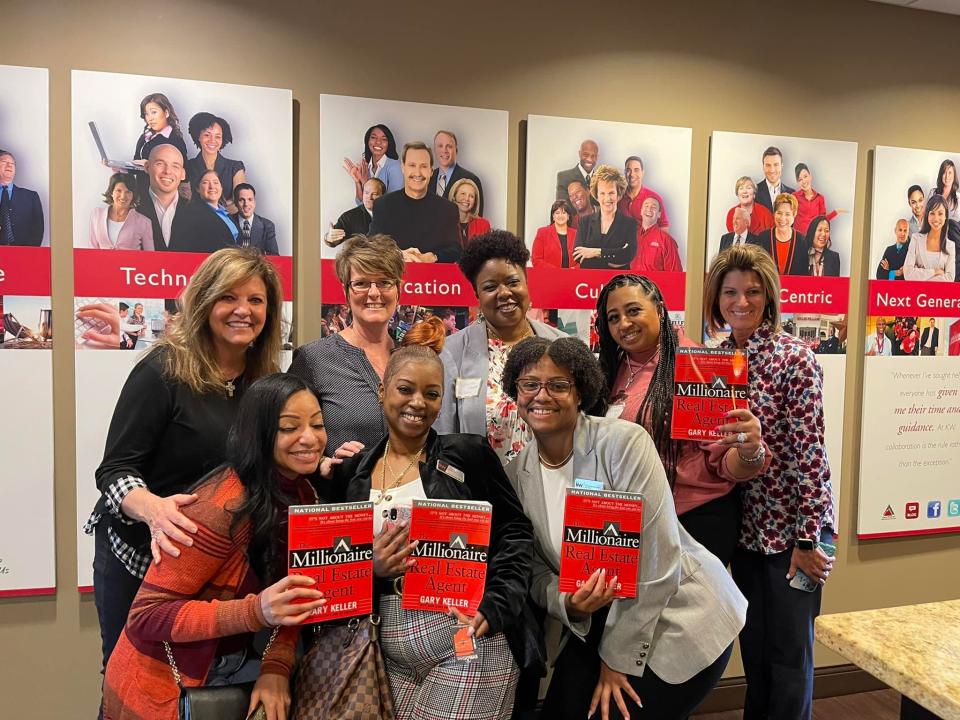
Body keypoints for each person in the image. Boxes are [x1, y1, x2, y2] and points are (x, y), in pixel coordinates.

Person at [501, 336, 747, 720]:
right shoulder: (517, 474)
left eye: (558, 385)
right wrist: (565, 602)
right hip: (600, 621)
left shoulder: (623, 443)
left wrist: (617, 662)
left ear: (580, 391)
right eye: (529, 384)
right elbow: (532, 568)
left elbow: (658, 562)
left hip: (677, 615)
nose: (541, 396)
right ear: (515, 392)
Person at [85, 248, 285, 676]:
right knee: (133, 680)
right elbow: (114, 471)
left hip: (211, 572)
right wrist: (154, 509)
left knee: (195, 683)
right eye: (228, 297)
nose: (242, 310)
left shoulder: (265, 383)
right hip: (141, 557)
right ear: (204, 300)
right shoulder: (163, 370)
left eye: (255, 300)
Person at [329, 318, 535, 720]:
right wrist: (370, 567)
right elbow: (333, 565)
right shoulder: (351, 474)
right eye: (405, 389)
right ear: (382, 391)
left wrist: (495, 607)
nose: (417, 402)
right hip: (383, 643)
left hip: (463, 633)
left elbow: (515, 532)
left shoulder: (468, 456)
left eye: (432, 393)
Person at [102, 373, 330, 720]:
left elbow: (296, 597)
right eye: (289, 428)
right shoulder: (221, 505)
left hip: (238, 665)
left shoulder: (304, 495)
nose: (310, 438)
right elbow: (146, 616)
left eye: (318, 424)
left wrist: (276, 667)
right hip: (164, 686)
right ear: (260, 432)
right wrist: (255, 612)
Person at [704, 244, 835, 719]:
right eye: (731, 292)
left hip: (794, 536)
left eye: (753, 292)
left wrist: (808, 538)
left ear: (769, 296)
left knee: (789, 660)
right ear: (716, 298)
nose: (741, 302)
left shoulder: (794, 358)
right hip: (744, 535)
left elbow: (812, 456)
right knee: (755, 655)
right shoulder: (713, 362)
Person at [595, 273, 769, 565]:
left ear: (660, 310)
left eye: (634, 310)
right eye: (613, 317)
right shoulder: (612, 368)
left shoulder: (698, 365)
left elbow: (726, 463)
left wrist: (749, 451)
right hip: (630, 522)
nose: (624, 323)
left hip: (692, 526)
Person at [436, 230, 566, 465]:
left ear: (527, 283)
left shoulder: (562, 346)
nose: (504, 293)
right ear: (477, 295)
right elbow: (443, 438)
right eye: (490, 287)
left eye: (513, 282)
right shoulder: (450, 353)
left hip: (551, 489)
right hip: (481, 493)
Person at [290, 234, 403, 454]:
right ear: (345, 292)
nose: (373, 293)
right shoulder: (314, 359)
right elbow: (287, 437)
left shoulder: (413, 357)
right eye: (361, 284)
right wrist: (324, 463)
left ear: (399, 289)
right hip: (341, 487)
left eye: (384, 282)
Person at [368, 141, 461, 263]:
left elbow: (455, 250)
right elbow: (372, 245)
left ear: (431, 171)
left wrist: (432, 257)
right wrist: (398, 255)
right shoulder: (382, 205)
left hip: (433, 280)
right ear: (403, 168)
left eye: (423, 166)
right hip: (393, 278)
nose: (417, 173)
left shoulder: (448, 209)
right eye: (412, 165)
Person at [573, 164, 638, 270]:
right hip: (589, 283)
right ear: (596, 195)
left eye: (611, 193)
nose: (607, 198)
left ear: (618, 194)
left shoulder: (629, 224)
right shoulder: (584, 222)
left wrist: (595, 252)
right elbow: (577, 256)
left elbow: (628, 255)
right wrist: (614, 257)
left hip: (617, 283)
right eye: (602, 193)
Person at [185, 111, 246, 214]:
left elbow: (240, 203)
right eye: (207, 135)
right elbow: (185, 200)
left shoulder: (235, 167)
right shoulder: (187, 166)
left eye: (218, 136)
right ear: (198, 136)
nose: (212, 140)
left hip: (228, 225)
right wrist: (227, 204)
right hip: (195, 224)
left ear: (222, 140)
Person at [169, 169, 239, 253]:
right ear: (198, 188)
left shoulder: (225, 213)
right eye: (205, 182)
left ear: (221, 187)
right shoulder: (190, 214)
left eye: (216, 182)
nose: (212, 187)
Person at [137, 143, 187, 251]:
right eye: (160, 163)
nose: (168, 171)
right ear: (147, 167)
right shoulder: (130, 211)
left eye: (175, 166)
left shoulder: (199, 214)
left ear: (183, 174)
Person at [88, 172, 154, 250]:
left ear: (133, 195)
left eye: (128, 192)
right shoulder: (96, 215)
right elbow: (92, 248)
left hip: (131, 262)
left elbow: (150, 255)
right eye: (118, 191)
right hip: (101, 262)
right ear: (111, 192)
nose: (123, 196)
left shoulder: (144, 222)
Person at [343, 123, 404, 204]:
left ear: (389, 143)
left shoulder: (395, 166)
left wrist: (365, 183)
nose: (378, 142)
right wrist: (357, 181)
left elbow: (391, 204)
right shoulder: (365, 167)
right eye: (373, 137)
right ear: (368, 141)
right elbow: (360, 203)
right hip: (366, 216)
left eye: (384, 139)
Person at [429, 129, 485, 214]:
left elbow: (477, 218)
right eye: (440, 146)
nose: (444, 150)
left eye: (449, 146)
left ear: (456, 150)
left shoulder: (471, 179)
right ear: (435, 150)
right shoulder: (428, 178)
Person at [904, 194, 955, 281]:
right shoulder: (916, 239)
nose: (936, 218)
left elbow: (949, 278)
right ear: (927, 215)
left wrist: (919, 273)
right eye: (932, 213)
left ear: (946, 216)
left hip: (940, 295)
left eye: (940, 213)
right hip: (916, 294)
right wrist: (935, 272)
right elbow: (908, 274)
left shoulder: (950, 246)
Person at [756, 193, 808, 275]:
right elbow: (757, 270)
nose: (782, 218)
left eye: (787, 214)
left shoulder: (801, 241)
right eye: (779, 213)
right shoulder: (763, 238)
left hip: (794, 287)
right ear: (774, 213)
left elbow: (804, 274)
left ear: (794, 215)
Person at [0, 150, 44, 246]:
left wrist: (29, 254)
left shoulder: (31, 197)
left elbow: (38, 229)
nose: (9, 165)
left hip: (23, 255)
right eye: (4, 162)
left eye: (12, 163)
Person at [325, 177, 384, 247]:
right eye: (366, 193)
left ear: (383, 195)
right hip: (359, 257)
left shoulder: (392, 214)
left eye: (374, 194)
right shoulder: (349, 217)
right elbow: (333, 242)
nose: (369, 197)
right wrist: (328, 238)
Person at [132, 92, 188, 165]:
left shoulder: (175, 140)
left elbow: (181, 170)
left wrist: (150, 165)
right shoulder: (145, 137)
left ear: (166, 113)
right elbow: (136, 164)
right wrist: (123, 170)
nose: (150, 118)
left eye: (154, 112)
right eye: (146, 114)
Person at [630, 196, 683, 272]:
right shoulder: (631, 236)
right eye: (646, 206)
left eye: (653, 207)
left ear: (659, 215)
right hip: (632, 283)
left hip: (654, 283)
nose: (649, 209)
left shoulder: (667, 240)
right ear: (641, 211)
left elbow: (675, 274)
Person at [618, 155, 669, 230]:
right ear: (625, 172)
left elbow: (663, 225)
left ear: (642, 172)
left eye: (636, 170)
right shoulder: (618, 197)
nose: (632, 174)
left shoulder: (655, 198)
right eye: (628, 170)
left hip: (648, 240)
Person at [792, 163, 842, 236]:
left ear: (810, 176)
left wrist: (835, 212)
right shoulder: (794, 197)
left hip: (813, 239)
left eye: (805, 176)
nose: (803, 181)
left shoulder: (820, 198)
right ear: (797, 182)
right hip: (798, 240)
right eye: (800, 179)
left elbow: (822, 220)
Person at [231, 183, 278, 255]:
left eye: (250, 199)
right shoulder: (227, 222)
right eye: (241, 200)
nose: (246, 204)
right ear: (235, 202)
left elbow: (274, 256)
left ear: (254, 202)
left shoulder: (268, 226)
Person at [531, 199, 578, 269]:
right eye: (557, 213)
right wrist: (556, 272)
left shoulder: (576, 234)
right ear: (553, 216)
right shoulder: (542, 233)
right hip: (549, 276)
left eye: (564, 213)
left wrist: (575, 269)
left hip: (572, 276)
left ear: (568, 216)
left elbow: (582, 259)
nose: (560, 216)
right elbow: (536, 260)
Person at [450, 177, 491, 247]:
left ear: (475, 202)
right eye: (463, 194)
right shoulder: (444, 224)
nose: (466, 199)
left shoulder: (483, 224)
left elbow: (487, 254)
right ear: (454, 196)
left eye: (471, 196)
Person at [754, 146, 795, 212]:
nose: (772, 170)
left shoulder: (792, 194)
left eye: (776, 165)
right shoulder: (754, 192)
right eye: (768, 165)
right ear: (763, 166)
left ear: (782, 165)